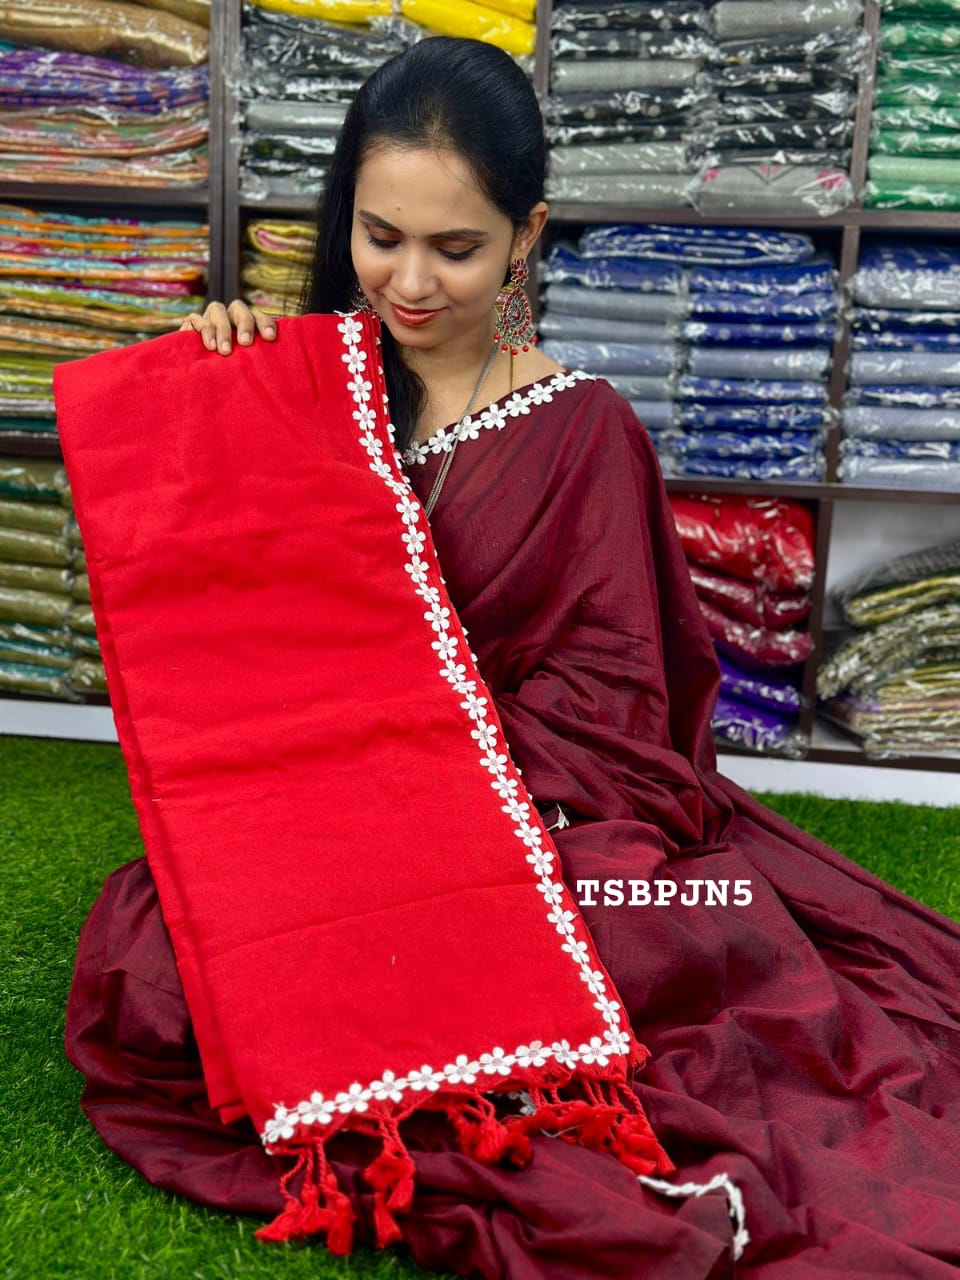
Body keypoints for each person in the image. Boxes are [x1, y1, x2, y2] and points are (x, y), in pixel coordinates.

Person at [65, 35, 960, 1280]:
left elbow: (610, 711)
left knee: (637, 932)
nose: (409, 281)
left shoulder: (581, 431)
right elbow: (232, 623)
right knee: (153, 959)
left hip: (528, 809)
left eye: (456, 247)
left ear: (526, 236)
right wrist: (218, 399)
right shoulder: (303, 391)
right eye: (380, 236)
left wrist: (439, 793)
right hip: (324, 792)